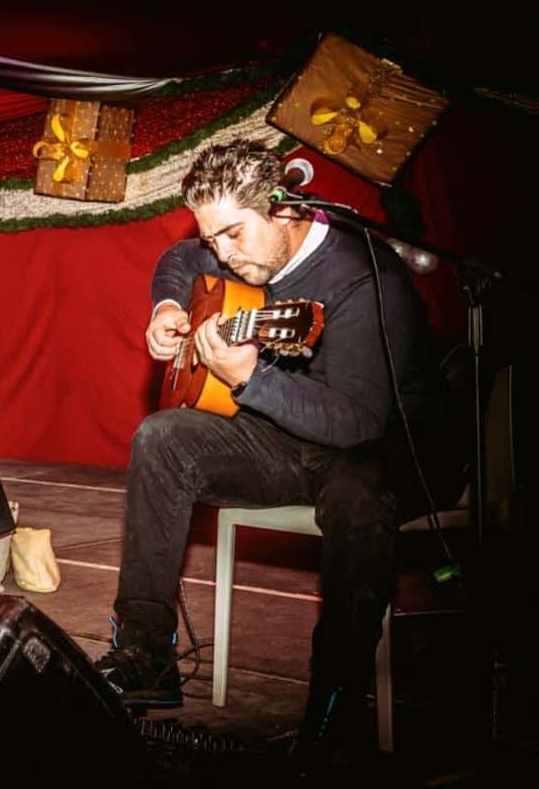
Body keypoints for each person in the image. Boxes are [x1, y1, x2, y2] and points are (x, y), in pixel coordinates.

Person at [94, 140, 465, 772]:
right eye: (216, 239)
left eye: (234, 235)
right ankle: (145, 654)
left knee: (355, 491)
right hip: (292, 437)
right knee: (161, 437)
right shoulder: (235, 252)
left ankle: (335, 704)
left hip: (382, 449)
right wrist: (167, 306)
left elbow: (357, 421)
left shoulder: (361, 276)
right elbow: (180, 257)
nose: (223, 254)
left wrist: (249, 379)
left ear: (287, 212)